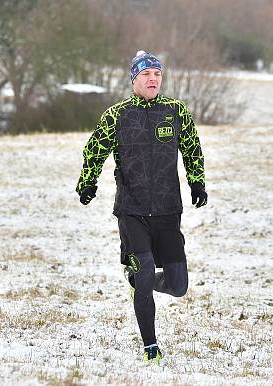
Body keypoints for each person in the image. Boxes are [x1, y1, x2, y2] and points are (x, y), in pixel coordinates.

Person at [75, 50, 207, 365]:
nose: (153, 79)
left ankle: (141, 283)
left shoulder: (175, 111)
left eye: (157, 74)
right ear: (134, 79)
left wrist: (197, 183)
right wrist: (88, 183)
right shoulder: (116, 115)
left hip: (167, 210)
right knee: (145, 270)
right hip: (132, 210)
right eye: (146, 74)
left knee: (178, 285)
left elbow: (192, 149)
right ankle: (151, 347)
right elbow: (95, 150)